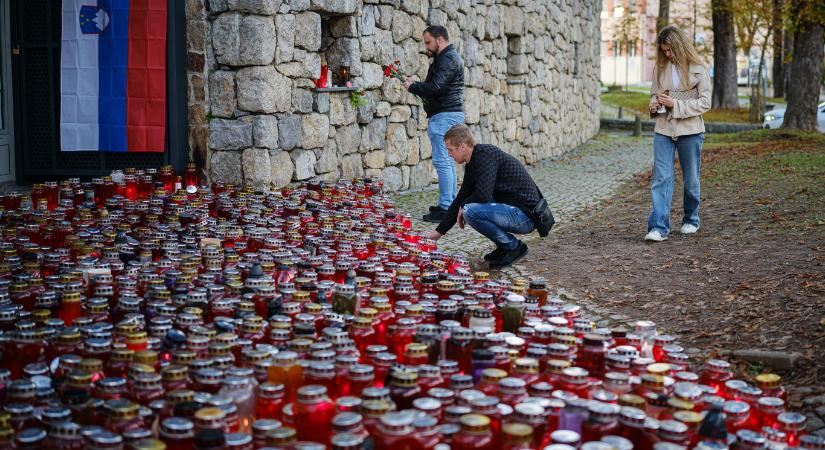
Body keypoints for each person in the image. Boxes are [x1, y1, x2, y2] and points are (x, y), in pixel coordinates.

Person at [425, 125, 555, 268]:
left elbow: (483, 194)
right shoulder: (473, 162)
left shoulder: (484, 155)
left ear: (462, 146)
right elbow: (460, 198)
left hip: (526, 216)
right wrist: (438, 232)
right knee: (467, 204)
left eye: (450, 150)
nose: (449, 154)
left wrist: (463, 207)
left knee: (470, 211)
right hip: (515, 210)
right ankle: (504, 247)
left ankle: (513, 247)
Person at [645, 25, 712, 242]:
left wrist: (675, 103)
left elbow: (705, 102)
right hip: (664, 129)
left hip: (691, 130)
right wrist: (654, 106)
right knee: (661, 177)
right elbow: (655, 95)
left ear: (680, 46)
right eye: (664, 51)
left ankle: (691, 219)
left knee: (691, 179)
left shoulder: (699, 67)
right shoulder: (660, 68)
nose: (668, 54)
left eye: (670, 50)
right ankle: (658, 227)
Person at [403, 25, 465, 223]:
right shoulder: (448, 57)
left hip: (445, 115)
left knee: (443, 161)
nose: (427, 47)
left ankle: (447, 208)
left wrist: (413, 86)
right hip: (448, 114)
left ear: (440, 40)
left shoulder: (447, 58)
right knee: (447, 162)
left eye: (428, 42)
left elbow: (436, 87)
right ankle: (450, 204)